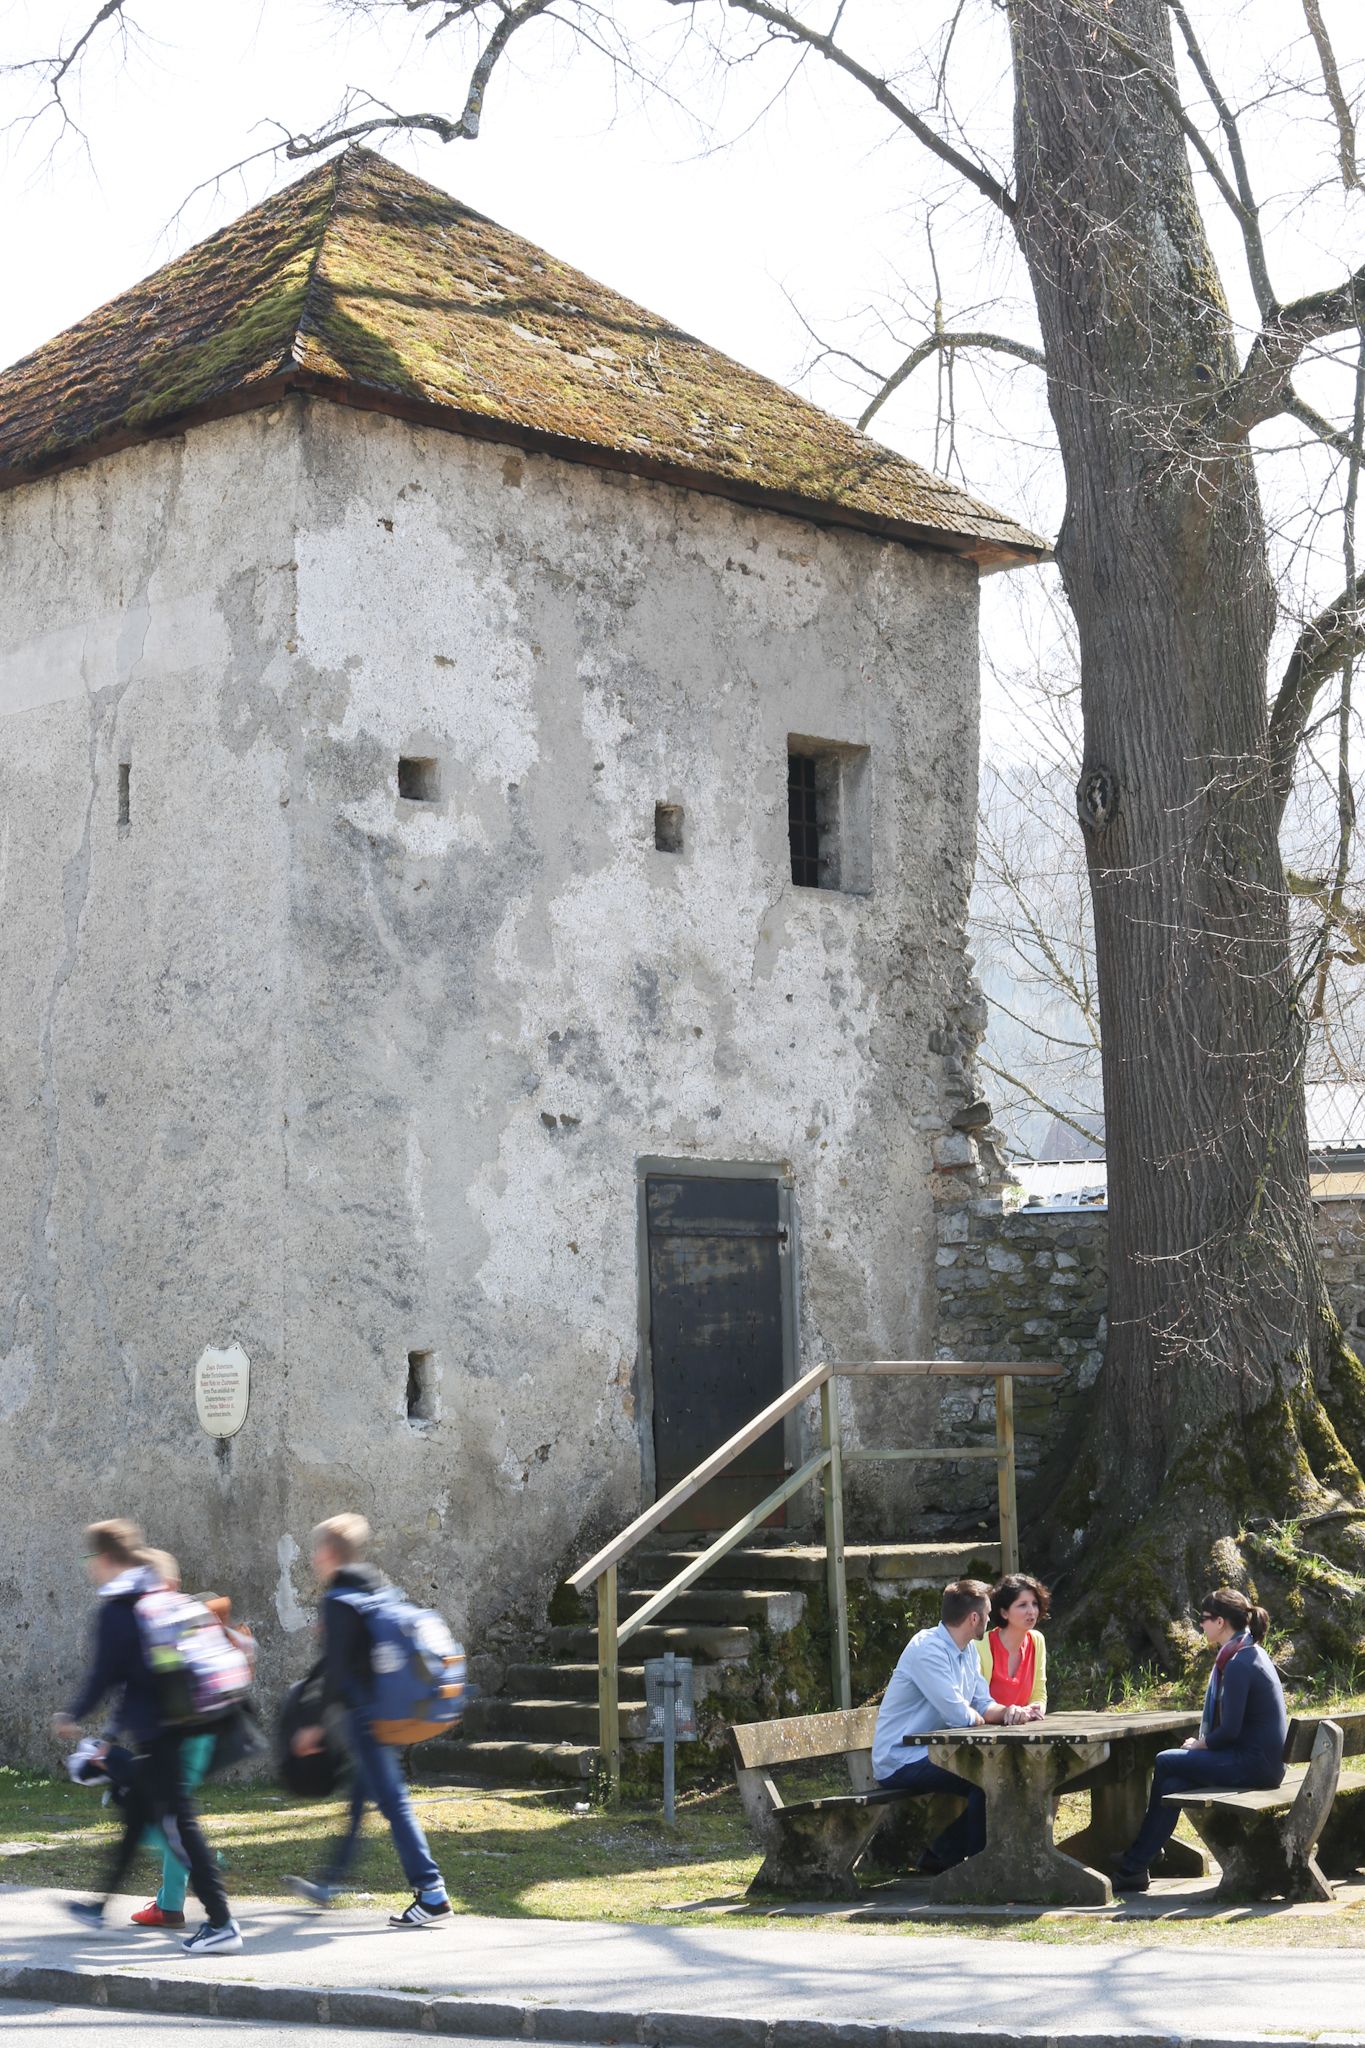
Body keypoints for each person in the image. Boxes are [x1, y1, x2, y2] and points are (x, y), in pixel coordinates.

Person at [53, 1519, 243, 1955]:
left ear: (102, 1559)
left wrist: (74, 1713)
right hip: (177, 1726)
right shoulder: (154, 1597)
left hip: (163, 1735)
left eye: (91, 1561)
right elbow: (139, 1678)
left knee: (179, 1825)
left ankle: (221, 1921)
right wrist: (111, 1732)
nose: (91, 1569)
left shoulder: (119, 1609)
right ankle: (99, 1907)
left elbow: (106, 1675)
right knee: (138, 1815)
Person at [286, 1514, 452, 1927]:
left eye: (315, 1550)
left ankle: (431, 1891)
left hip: (367, 1715)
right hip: (388, 1707)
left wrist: (316, 1725)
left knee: (393, 1803)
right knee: (361, 1800)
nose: (312, 1558)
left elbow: (339, 1669)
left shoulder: (338, 1598)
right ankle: (329, 1881)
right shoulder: (376, 1586)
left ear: (328, 1553)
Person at [1113, 1587, 1287, 1892]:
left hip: (1254, 1766)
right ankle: (1135, 1867)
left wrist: (1199, 1744)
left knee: (1165, 1760)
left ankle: (1138, 1859)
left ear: (1220, 1622)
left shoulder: (1238, 1663)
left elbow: (1230, 1731)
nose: (1201, 1625)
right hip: (1260, 1762)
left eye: (1204, 1619)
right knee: (1171, 1784)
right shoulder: (1248, 1653)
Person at [872, 1578, 1043, 1873]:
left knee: (998, 1775)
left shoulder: (967, 1651)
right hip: (900, 1758)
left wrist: (1010, 1712)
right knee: (987, 1780)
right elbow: (960, 1715)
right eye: (988, 1615)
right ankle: (977, 1869)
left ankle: (943, 1855)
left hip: (933, 1752)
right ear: (974, 1618)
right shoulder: (928, 1650)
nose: (990, 1621)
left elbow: (982, 1703)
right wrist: (984, 1717)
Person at [129, 1552, 256, 1931]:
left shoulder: (171, 1619)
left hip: (184, 1734)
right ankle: (173, 1896)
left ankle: (199, 1867)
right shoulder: (196, 1620)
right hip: (199, 1732)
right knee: (170, 1814)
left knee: (163, 1819)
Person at [976, 1574, 1049, 1711]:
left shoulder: (1037, 1640)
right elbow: (976, 1703)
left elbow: (1039, 1695)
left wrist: (1035, 1709)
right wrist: (1005, 1714)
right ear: (1004, 1613)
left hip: (1024, 1729)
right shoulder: (980, 1646)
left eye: (1034, 1604)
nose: (1031, 1611)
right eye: (1022, 1605)